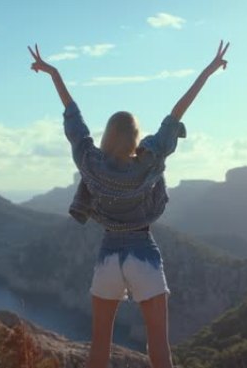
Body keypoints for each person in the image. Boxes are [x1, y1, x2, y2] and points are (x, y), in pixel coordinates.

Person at [28, 40, 229, 368]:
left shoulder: (90, 163)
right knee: (159, 348)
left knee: (99, 347)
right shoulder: (146, 164)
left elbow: (73, 119)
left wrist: (54, 74)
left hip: (108, 257)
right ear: (136, 140)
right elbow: (176, 114)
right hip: (143, 255)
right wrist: (207, 71)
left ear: (108, 135)